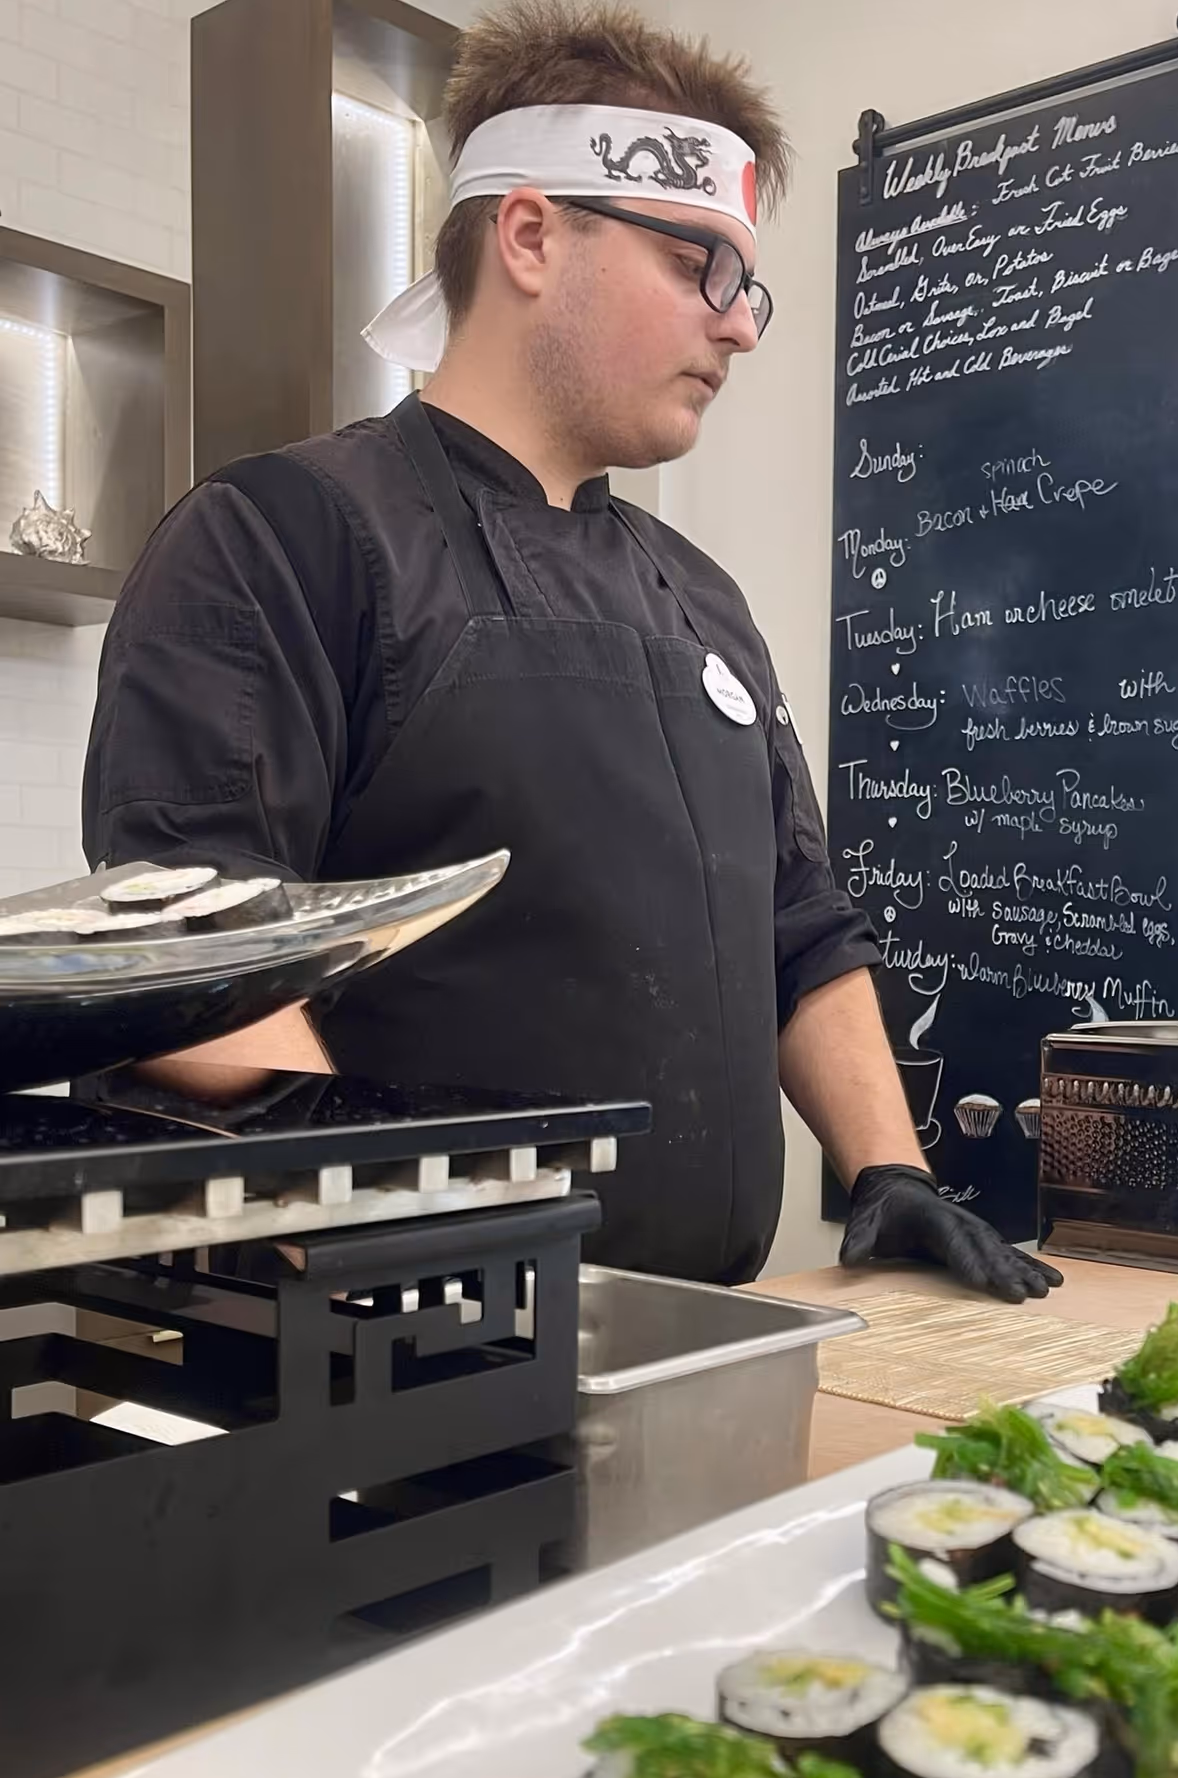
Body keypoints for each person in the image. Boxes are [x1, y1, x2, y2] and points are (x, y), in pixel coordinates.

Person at [81, 1, 1061, 1305]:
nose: (741, 327)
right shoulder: (283, 538)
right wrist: (372, 1237)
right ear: (534, 235)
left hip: (695, 1328)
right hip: (387, 1362)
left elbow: (803, 931)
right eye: (697, 267)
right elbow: (193, 940)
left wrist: (891, 1171)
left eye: (746, 282)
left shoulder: (698, 596)